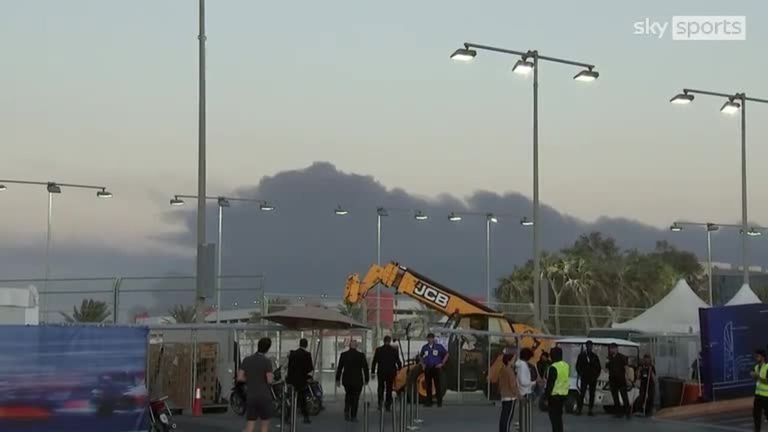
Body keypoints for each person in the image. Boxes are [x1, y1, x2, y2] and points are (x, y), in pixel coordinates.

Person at [238, 338, 274, 432]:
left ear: (258, 346)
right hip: (264, 396)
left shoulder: (247, 360)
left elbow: (240, 377)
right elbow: (270, 380)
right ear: (267, 349)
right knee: (264, 427)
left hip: (251, 396)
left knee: (250, 426)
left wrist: (250, 379)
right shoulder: (267, 361)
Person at [336, 339, 370, 422]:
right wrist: (366, 379)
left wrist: (337, 379)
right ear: (357, 346)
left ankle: (347, 410)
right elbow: (365, 368)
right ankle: (353, 416)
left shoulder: (343, 355)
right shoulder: (361, 355)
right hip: (357, 380)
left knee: (348, 395)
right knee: (355, 398)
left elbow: (340, 368)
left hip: (347, 380)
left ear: (349, 346)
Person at [287, 338, 314, 424]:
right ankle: (306, 417)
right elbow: (310, 368)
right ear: (306, 345)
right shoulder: (307, 354)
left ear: (299, 344)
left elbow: (289, 367)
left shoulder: (293, 354)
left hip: (292, 380)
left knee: (291, 399)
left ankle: (288, 417)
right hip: (302, 380)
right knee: (303, 399)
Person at [372, 335, 402, 411]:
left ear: (383, 341)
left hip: (381, 371)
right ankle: (388, 404)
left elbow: (374, 361)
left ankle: (380, 403)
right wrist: (400, 369)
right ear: (390, 341)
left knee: (380, 388)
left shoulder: (378, 350)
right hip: (391, 372)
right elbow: (398, 361)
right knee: (389, 388)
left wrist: (372, 371)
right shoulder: (394, 350)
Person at [420, 333, 448, 407]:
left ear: (433, 339)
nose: (430, 339)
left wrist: (442, 363)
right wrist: (423, 365)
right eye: (429, 338)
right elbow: (421, 356)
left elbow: (446, 354)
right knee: (428, 385)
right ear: (427, 339)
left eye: (431, 338)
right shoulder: (425, 347)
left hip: (436, 368)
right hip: (428, 368)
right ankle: (429, 402)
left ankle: (439, 402)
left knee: (437, 385)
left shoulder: (438, 347)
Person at [545, 347, 569, 432]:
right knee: (559, 418)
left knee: (554, 419)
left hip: (554, 396)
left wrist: (546, 397)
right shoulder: (566, 365)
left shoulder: (553, 367)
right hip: (563, 395)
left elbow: (550, 384)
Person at [576, 340, 601, 416]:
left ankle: (590, 409)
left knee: (592, 394)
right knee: (582, 393)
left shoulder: (594, 356)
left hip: (592, 378)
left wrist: (596, 375)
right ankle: (579, 409)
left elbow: (598, 367)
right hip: (584, 377)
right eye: (588, 346)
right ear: (586, 346)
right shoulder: (581, 355)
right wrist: (581, 374)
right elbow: (577, 366)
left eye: (590, 346)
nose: (589, 347)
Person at [607, 343, 630, 419]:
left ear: (616, 349)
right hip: (613, 380)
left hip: (621, 380)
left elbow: (626, 367)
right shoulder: (609, 358)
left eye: (612, 348)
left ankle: (627, 412)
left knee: (624, 396)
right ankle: (618, 412)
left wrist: (627, 377)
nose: (611, 350)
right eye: (610, 348)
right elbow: (606, 368)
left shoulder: (621, 357)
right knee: (615, 397)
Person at [498, 352, 519, 432]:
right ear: (509, 361)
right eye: (513, 360)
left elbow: (500, 383)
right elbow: (513, 385)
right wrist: (518, 395)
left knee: (504, 416)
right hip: (510, 396)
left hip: (504, 395)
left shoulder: (502, 370)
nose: (514, 361)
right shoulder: (510, 371)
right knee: (508, 417)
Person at [516, 348, 536, 431]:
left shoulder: (519, 364)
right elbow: (523, 381)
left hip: (522, 391)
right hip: (526, 392)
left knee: (523, 417)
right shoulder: (523, 365)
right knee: (526, 417)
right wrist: (532, 382)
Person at [752, 349, 768, 431]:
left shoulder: (767, 367)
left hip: (766, 396)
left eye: (757, 356)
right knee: (756, 415)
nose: (756, 358)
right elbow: (757, 380)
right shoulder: (756, 367)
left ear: (763, 357)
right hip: (758, 395)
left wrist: (758, 376)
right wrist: (754, 376)